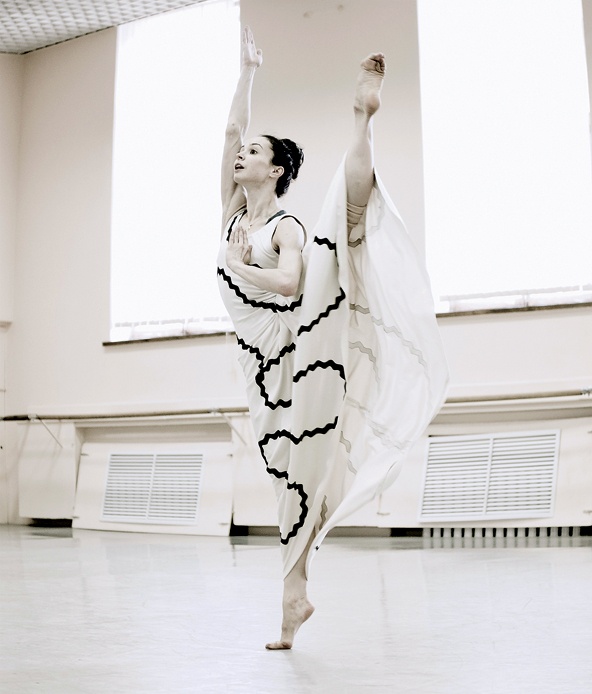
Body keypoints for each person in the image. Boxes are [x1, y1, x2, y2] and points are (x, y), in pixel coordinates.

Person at [218, 27, 448, 650]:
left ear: (276, 169)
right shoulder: (232, 214)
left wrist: (240, 265)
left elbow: (290, 282)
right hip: (257, 364)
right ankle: (294, 597)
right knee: (290, 478)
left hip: (299, 349)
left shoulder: (284, 227)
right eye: (242, 151)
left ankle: (361, 119)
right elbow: (231, 130)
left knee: (340, 223)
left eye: (254, 151)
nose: (241, 155)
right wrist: (247, 72)